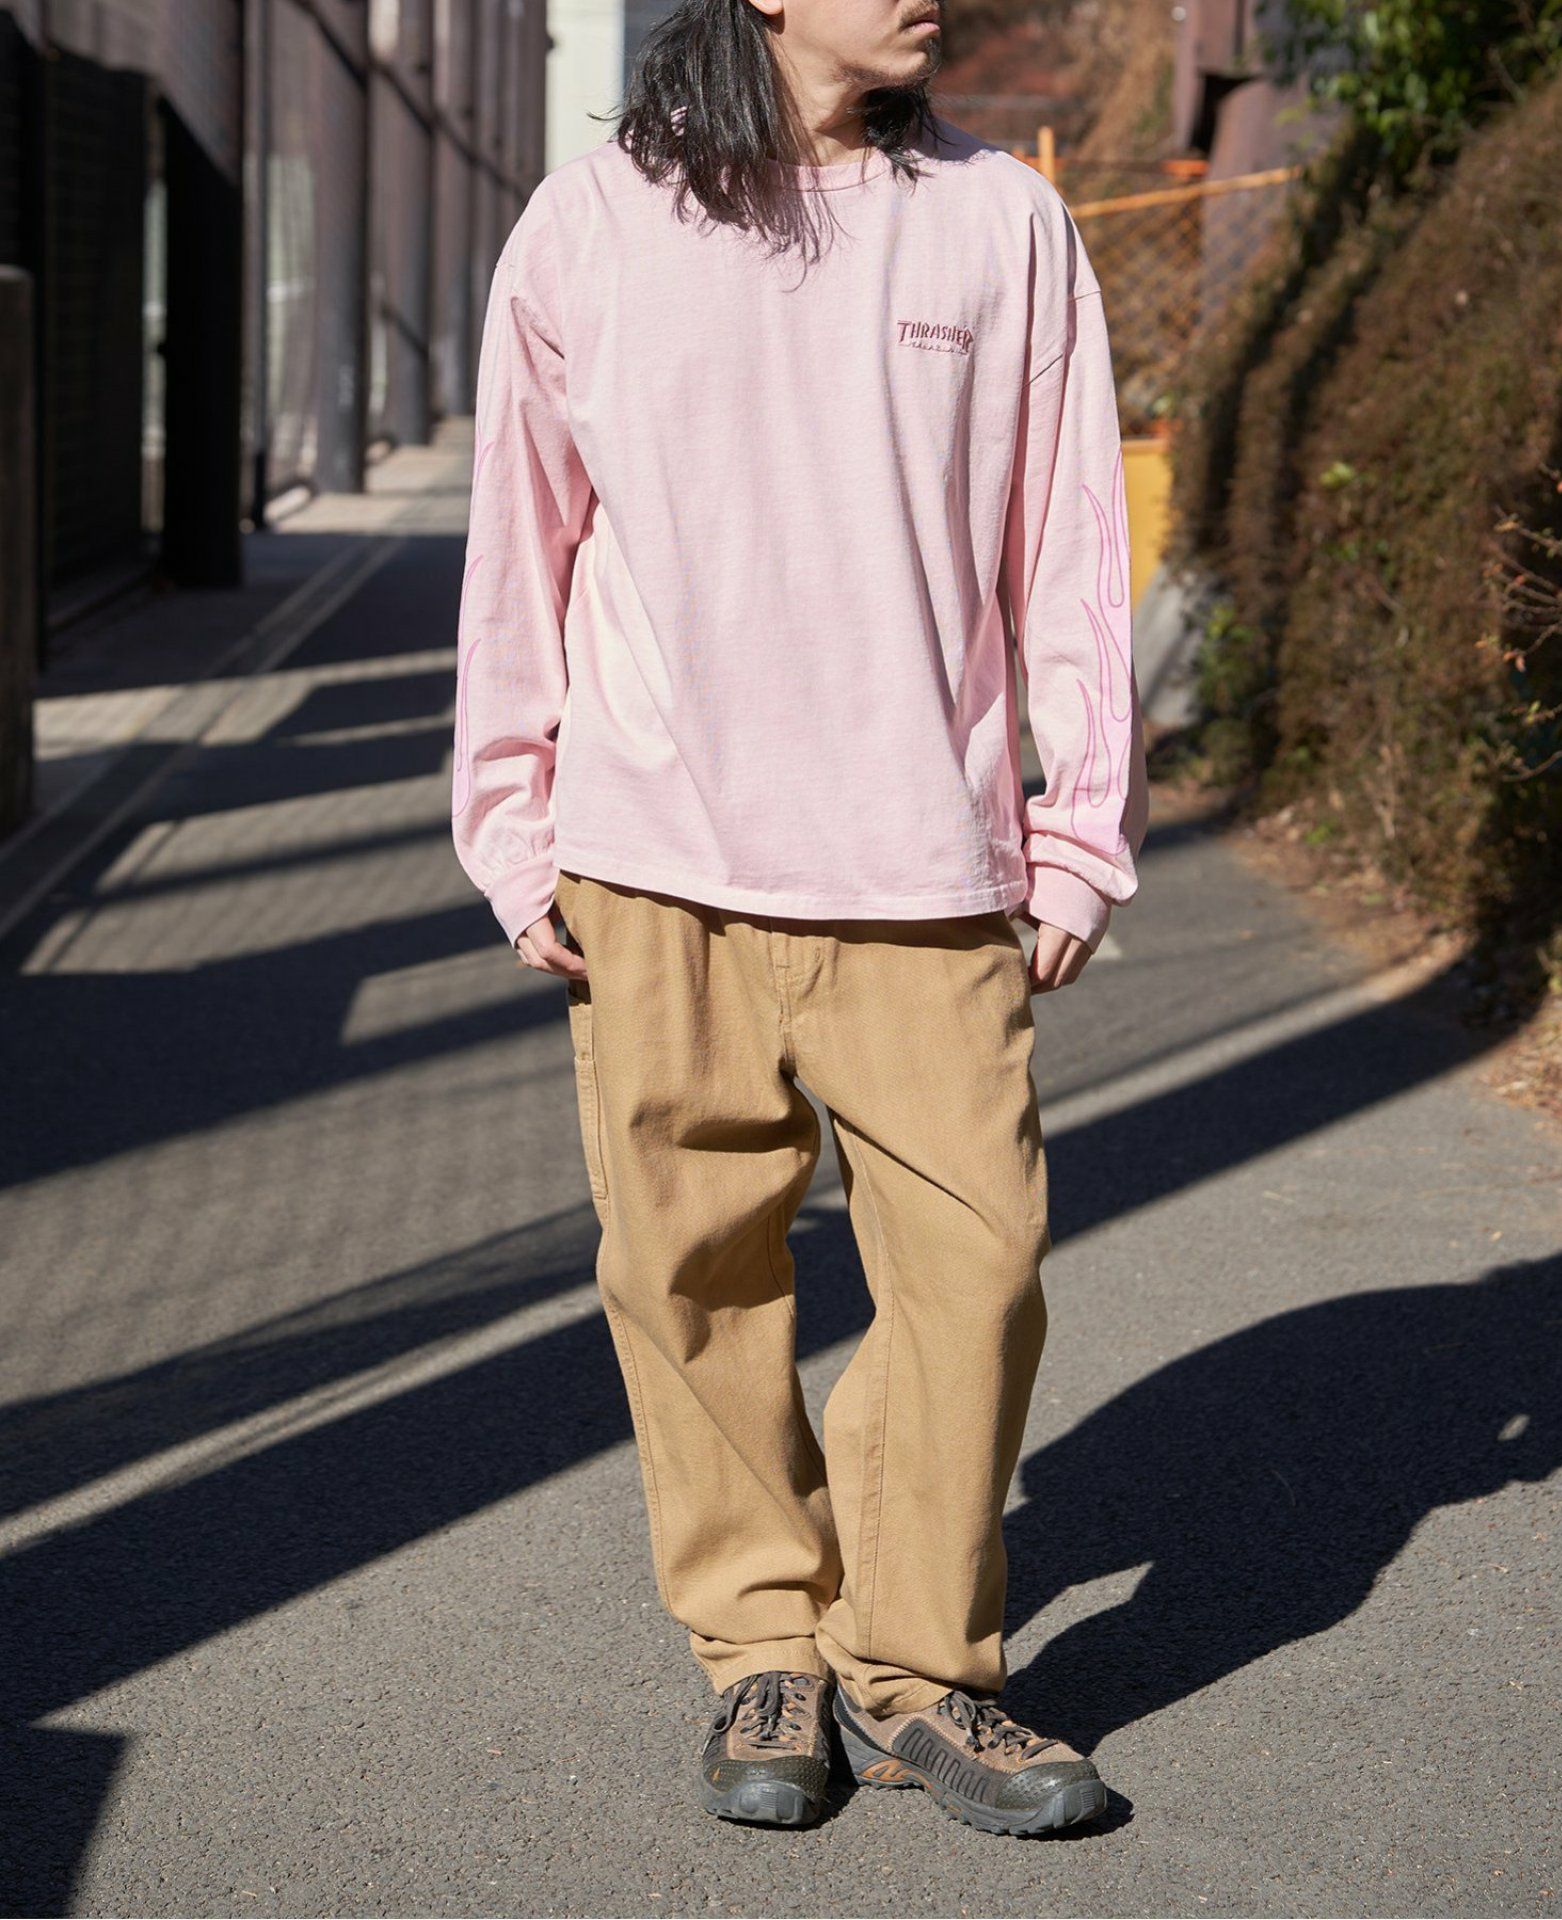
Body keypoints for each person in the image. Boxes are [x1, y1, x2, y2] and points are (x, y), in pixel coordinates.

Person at [449, 0, 1147, 1839]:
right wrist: (509, 826)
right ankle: (763, 1644)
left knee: (979, 1267)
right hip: (652, 857)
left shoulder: (999, 222)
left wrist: (1081, 825)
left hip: (924, 864)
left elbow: (1071, 541)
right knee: (689, 1274)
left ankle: (917, 1667)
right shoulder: (594, 224)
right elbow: (521, 540)